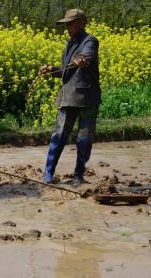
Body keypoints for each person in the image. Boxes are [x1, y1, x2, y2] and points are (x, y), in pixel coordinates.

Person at [40, 9, 101, 186]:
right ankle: (48, 174)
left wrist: (83, 59)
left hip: (86, 98)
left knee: (84, 138)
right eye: (66, 24)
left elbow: (87, 55)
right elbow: (67, 71)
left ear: (82, 23)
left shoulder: (90, 41)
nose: (67, 26)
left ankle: (78, 174)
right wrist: (51, 70)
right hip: (67, 97)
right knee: (58, 136)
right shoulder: (69, 45)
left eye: (70, 23)